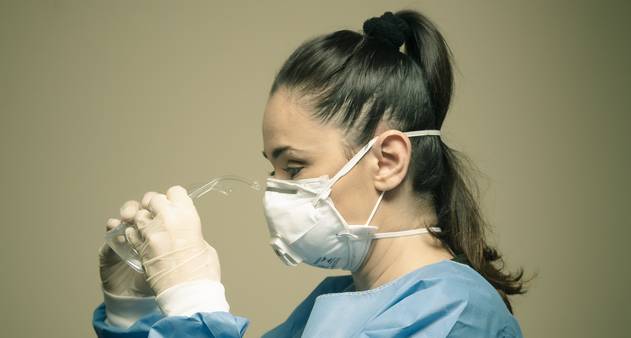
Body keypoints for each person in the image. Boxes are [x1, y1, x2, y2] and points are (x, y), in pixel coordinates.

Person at [93, 9, 528, 338]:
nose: (275, 192)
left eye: (294, 167)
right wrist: (132, 308)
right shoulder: (334, 302)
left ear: (389, 161)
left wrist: (194, 299)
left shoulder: (455, 315)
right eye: (274, 169)